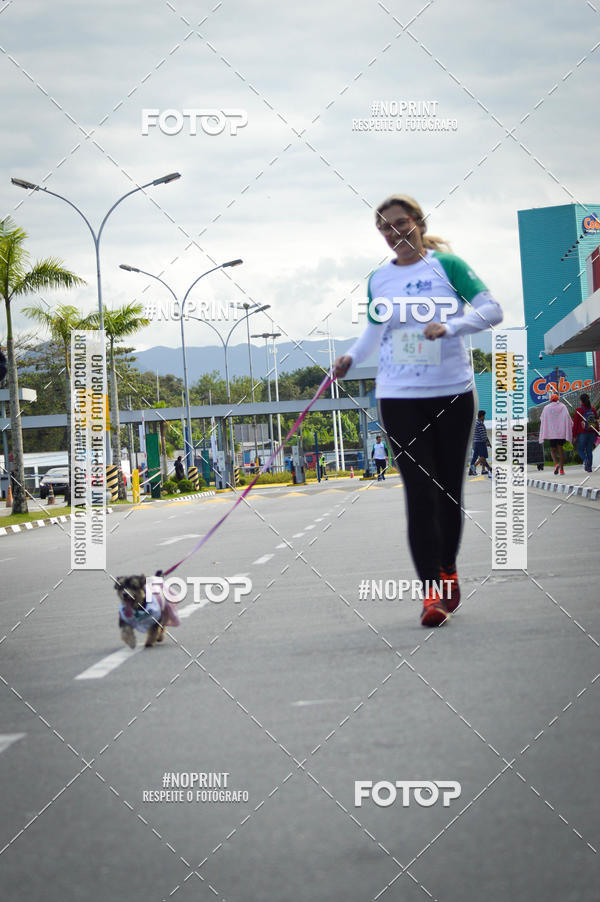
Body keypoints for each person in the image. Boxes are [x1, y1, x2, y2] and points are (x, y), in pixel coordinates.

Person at [333, 193, 503, 627]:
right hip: (397, 395)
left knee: (448, 491)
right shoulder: (379, 279)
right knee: (418, 493)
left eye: (400, 223)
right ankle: (432, 593)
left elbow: (491, 310)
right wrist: (350, 357)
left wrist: (451, 326)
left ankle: (448, 568)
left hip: (452, 392)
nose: (394, 233)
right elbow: (373, 332)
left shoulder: (449, 267)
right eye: (385, 228)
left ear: (418, 222)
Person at [538, 393, 573, 475]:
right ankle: (562, 470)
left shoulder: (546, 408)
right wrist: (571, 424)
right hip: (561, 433)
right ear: (558, 399)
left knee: (552, 450)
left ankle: (556, 464)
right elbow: (567, 417)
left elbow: (542, 418)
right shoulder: (563, 406)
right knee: (561, 451)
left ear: (551, 400)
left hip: (551, 433)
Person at [571, 392, 598, 473]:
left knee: (580, 449)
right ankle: (589, 468)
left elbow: (575, 424)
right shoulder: (593, 409)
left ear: (581, 401)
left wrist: (574, 435)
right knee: (589, 449)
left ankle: (586, 460)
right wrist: (597, 432)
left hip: (582, 433)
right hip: (592, 432)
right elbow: (596, 420)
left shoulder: (578, 410)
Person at [469, 410, 492, 477]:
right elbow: (483, 434)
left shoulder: (476, 423)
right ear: (481, 416)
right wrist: (486, 442)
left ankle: (488, 469)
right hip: (480, 443)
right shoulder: (480, 424)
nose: (484, 417)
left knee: (476, 457)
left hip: (476, 442)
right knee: (482, 457)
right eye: (484, 416)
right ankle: (472, 469)